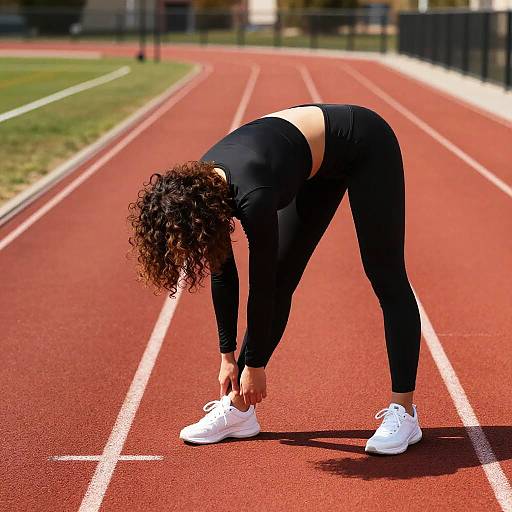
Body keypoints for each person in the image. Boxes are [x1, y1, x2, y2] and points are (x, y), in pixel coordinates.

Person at [128, 103, 423, 455]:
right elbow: (224, 276)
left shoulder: (254, 198)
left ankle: (404, 413)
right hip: (311, 161)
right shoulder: (200, 191)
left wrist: (254, 364)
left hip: (364, 143)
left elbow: (262, 285)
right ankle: (239, 410)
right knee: (284, 278)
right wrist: (227, 355)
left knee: (385, 275)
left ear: (200, 216)